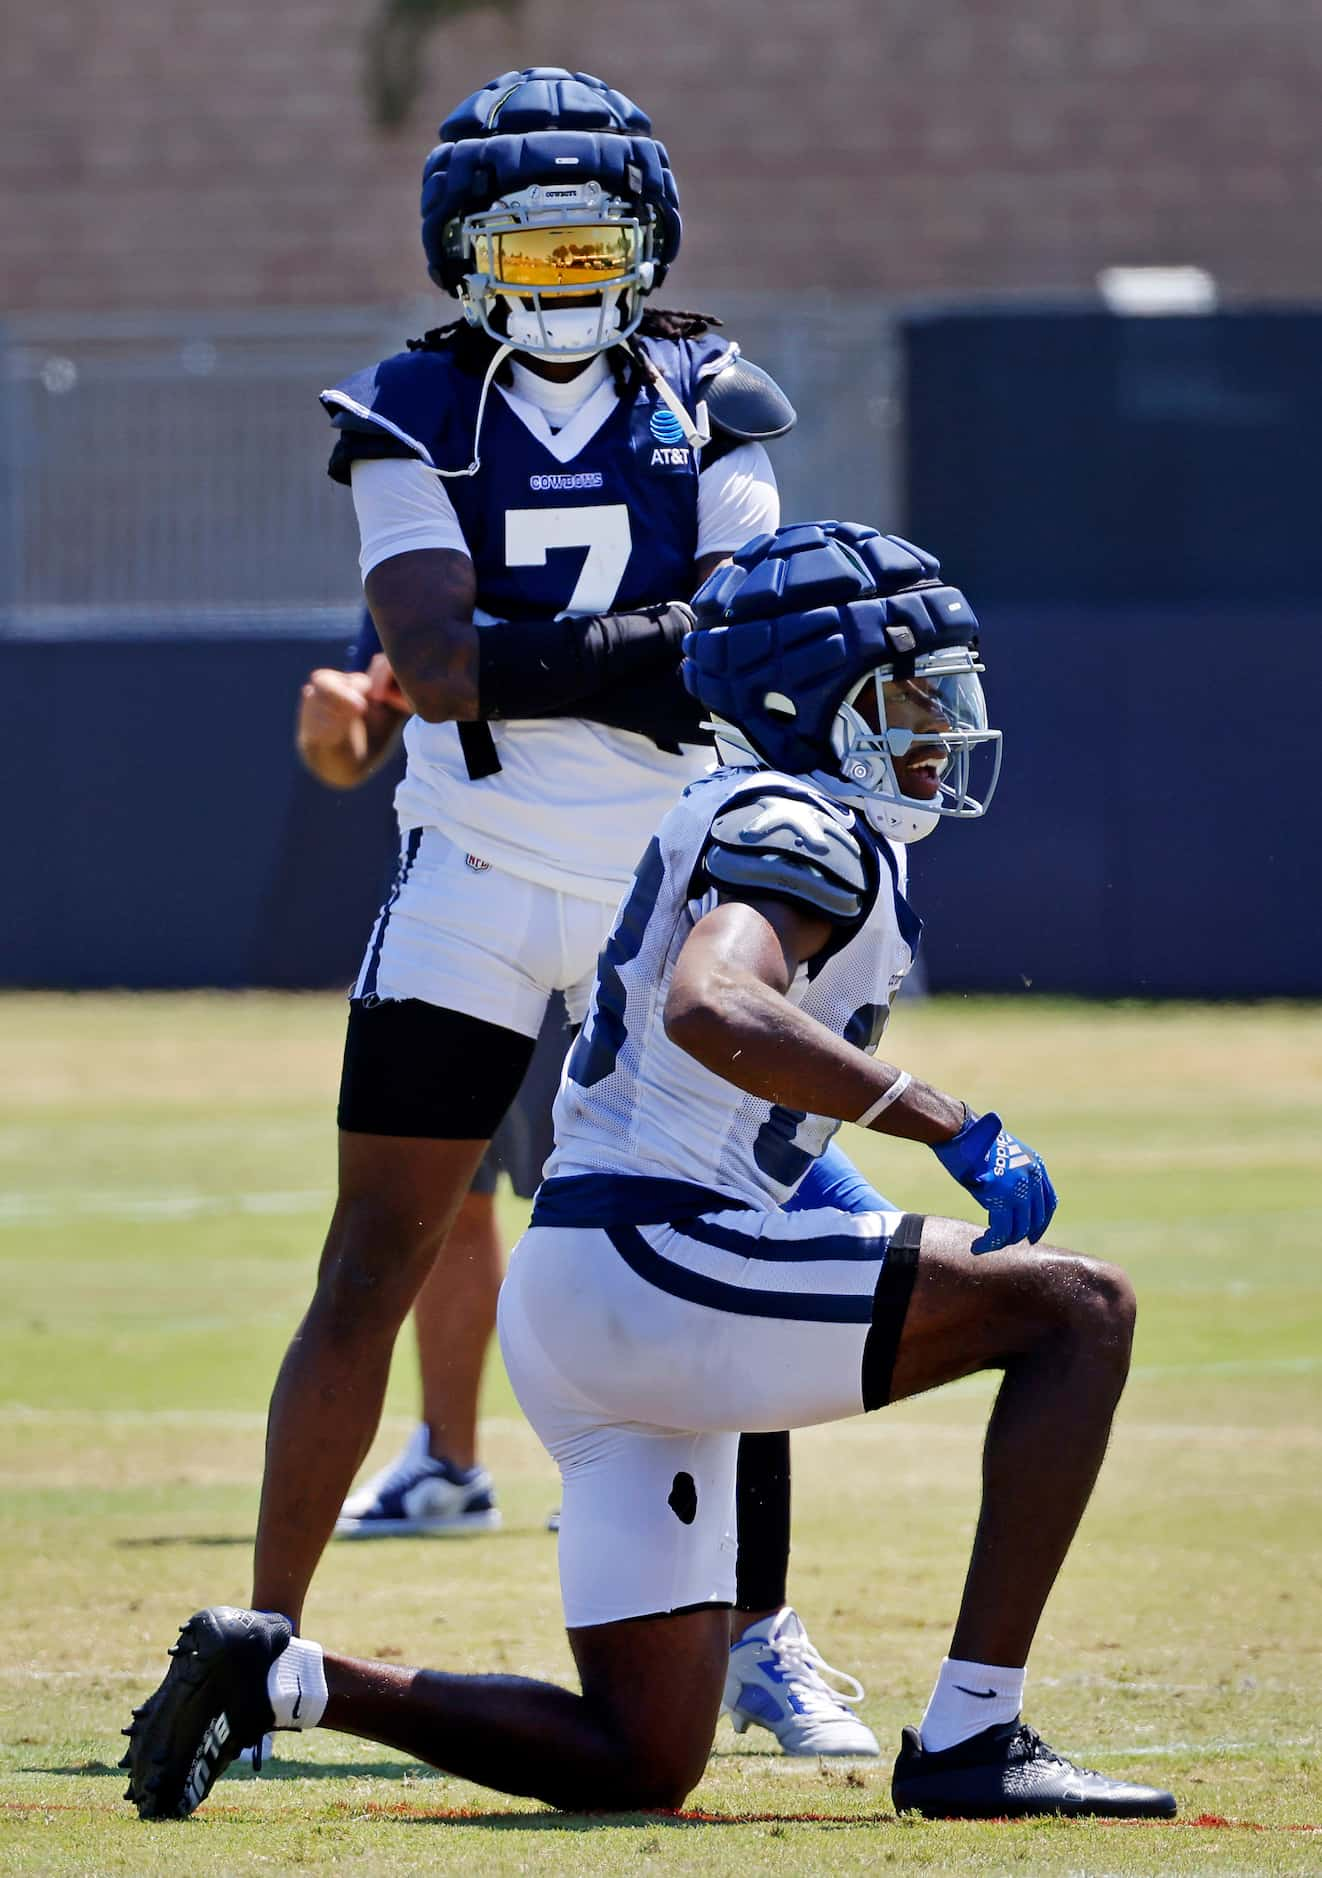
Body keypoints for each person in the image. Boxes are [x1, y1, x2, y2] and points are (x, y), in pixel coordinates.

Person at [123, 522, 1177, 1822]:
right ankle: (974, 1736)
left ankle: (280, 1677)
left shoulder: (731, 806)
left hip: (591, 1293)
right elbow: (708, 1000)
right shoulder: (800, 818)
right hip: (663, 1267)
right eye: (914, 696)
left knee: (641, 1752)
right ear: (812, 698)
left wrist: (861, 1194)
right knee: (1080, 1310)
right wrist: (938, 1117)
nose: (939, 726)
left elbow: (728, 1104)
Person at [226, 65, 879, 1754]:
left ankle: (762, 1630)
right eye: (534, 242)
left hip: (668, 901)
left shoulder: (710, 395)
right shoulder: (407, 409)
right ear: (466, 253)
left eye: (596, 240)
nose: (570, 272)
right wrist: (627, 661)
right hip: (477, 889)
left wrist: (526, 670)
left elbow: (739, 644)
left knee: (725, 1257)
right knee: (370, 1255)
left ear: (647, 243)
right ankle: (255, 1639)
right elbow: (433, 663)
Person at [295, 618, 566, 1536]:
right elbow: (367, 741)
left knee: (614, 1192)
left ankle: (633, 1466)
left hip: (594, 888)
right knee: (451, 1197)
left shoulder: (620, 506)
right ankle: (449, 1468)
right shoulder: (421, 535)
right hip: (454, 902)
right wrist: (334, 734)